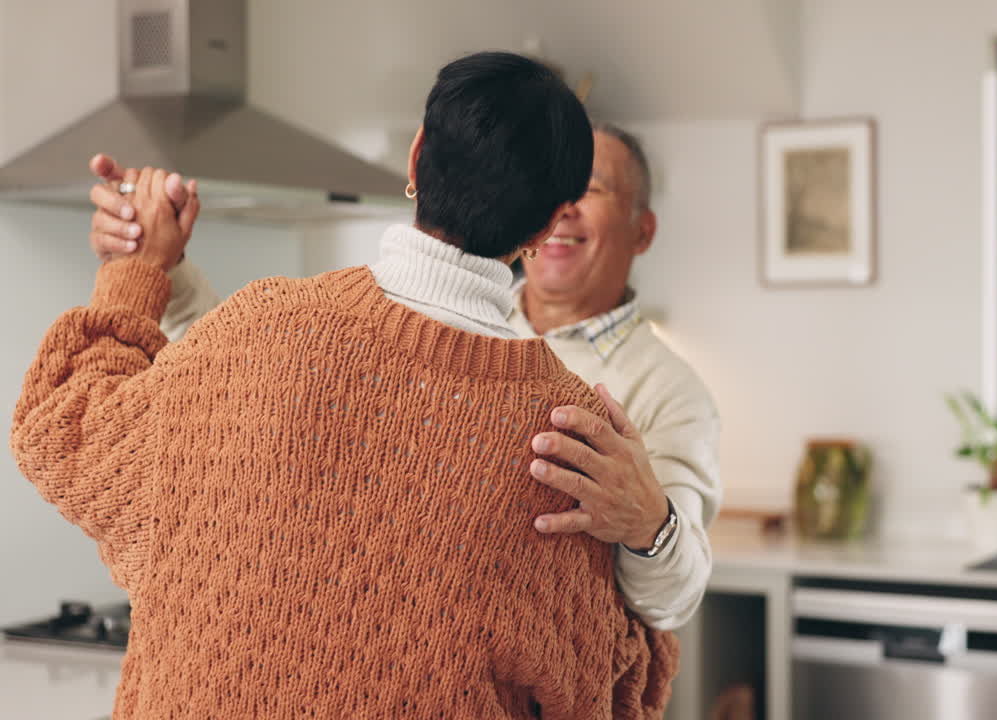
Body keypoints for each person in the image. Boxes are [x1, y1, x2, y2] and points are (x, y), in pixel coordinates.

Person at [14, 52, 675, 719]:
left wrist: (135, 270)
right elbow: (612, 688)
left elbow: (66, 433)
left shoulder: (260, 323)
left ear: (417, 159)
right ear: (548, 224)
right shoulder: (568, 435)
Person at [89, 124, 723, 631]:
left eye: (591, 189)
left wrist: (649, 524)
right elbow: (238, 376)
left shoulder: (670, 393)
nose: (565, 213)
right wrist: (154, 261)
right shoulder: (425, 313)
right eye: (556, 189)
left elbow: (674, 598)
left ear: (643, 230)